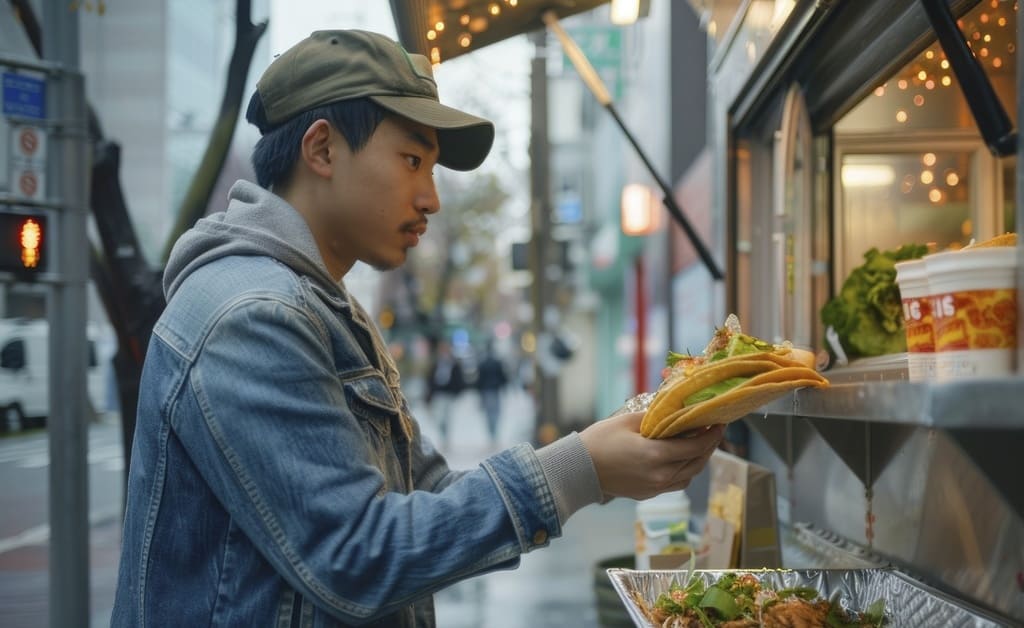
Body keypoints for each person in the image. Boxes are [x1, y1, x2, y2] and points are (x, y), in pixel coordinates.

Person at [110, 29, 723, 628]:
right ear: (321, 150)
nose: (431, 198)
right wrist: (580, 468)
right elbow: (356, 556)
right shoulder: (252, 315)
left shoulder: (327, 307)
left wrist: (599, 460)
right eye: (412, 161)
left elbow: (421, 493)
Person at [475, 340, 508, 447]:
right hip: (494, 390)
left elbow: (479, 379)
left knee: (489, 413)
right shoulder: (497, 362)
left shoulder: (483, 363)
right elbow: (503, 376)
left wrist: (479, 392)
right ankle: (493, 433)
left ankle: (492, 433)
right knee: (495, 413)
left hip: (486, 391)